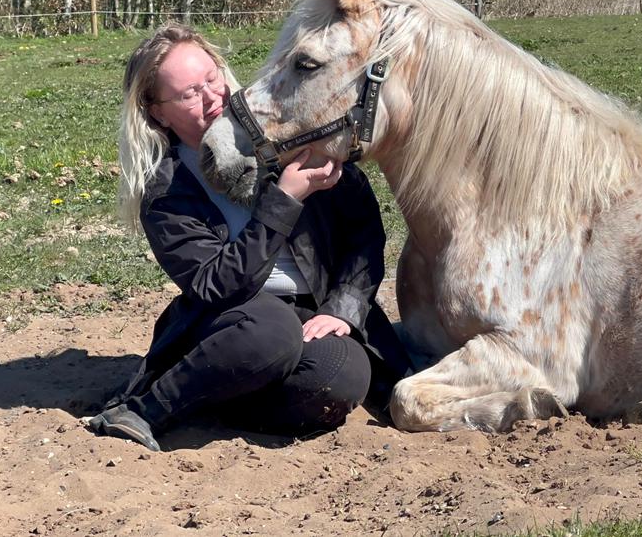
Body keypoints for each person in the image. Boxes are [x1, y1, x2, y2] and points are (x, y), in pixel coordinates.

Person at [87, 23, 411, 451]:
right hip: (232, 318)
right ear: (157, 112)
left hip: (309, 311)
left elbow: (363, 232)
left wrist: (343, 309)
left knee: (342, 376)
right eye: (188, 94)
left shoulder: (285, 133)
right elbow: (216, 286)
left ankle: (212, 397)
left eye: (211, 78)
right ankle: (146, 409)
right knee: (270, 333)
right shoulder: (165, 191)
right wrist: (285, 199)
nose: (212, 97)